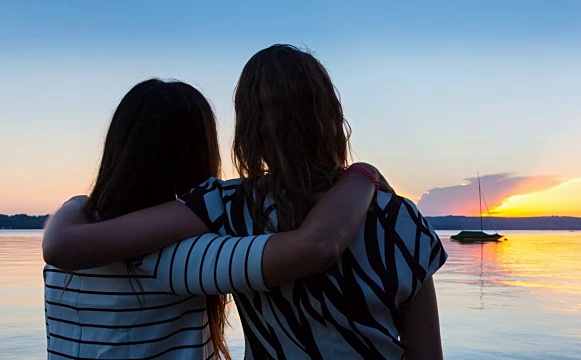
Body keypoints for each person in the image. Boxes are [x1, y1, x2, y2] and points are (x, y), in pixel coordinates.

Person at [45, 44, 447, 359]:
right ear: (332, 113)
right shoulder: (402, 220)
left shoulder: (228, 208)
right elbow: (427, 352)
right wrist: (364, 174)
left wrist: (75, 206)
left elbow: (73, 245)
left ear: (248, 132)